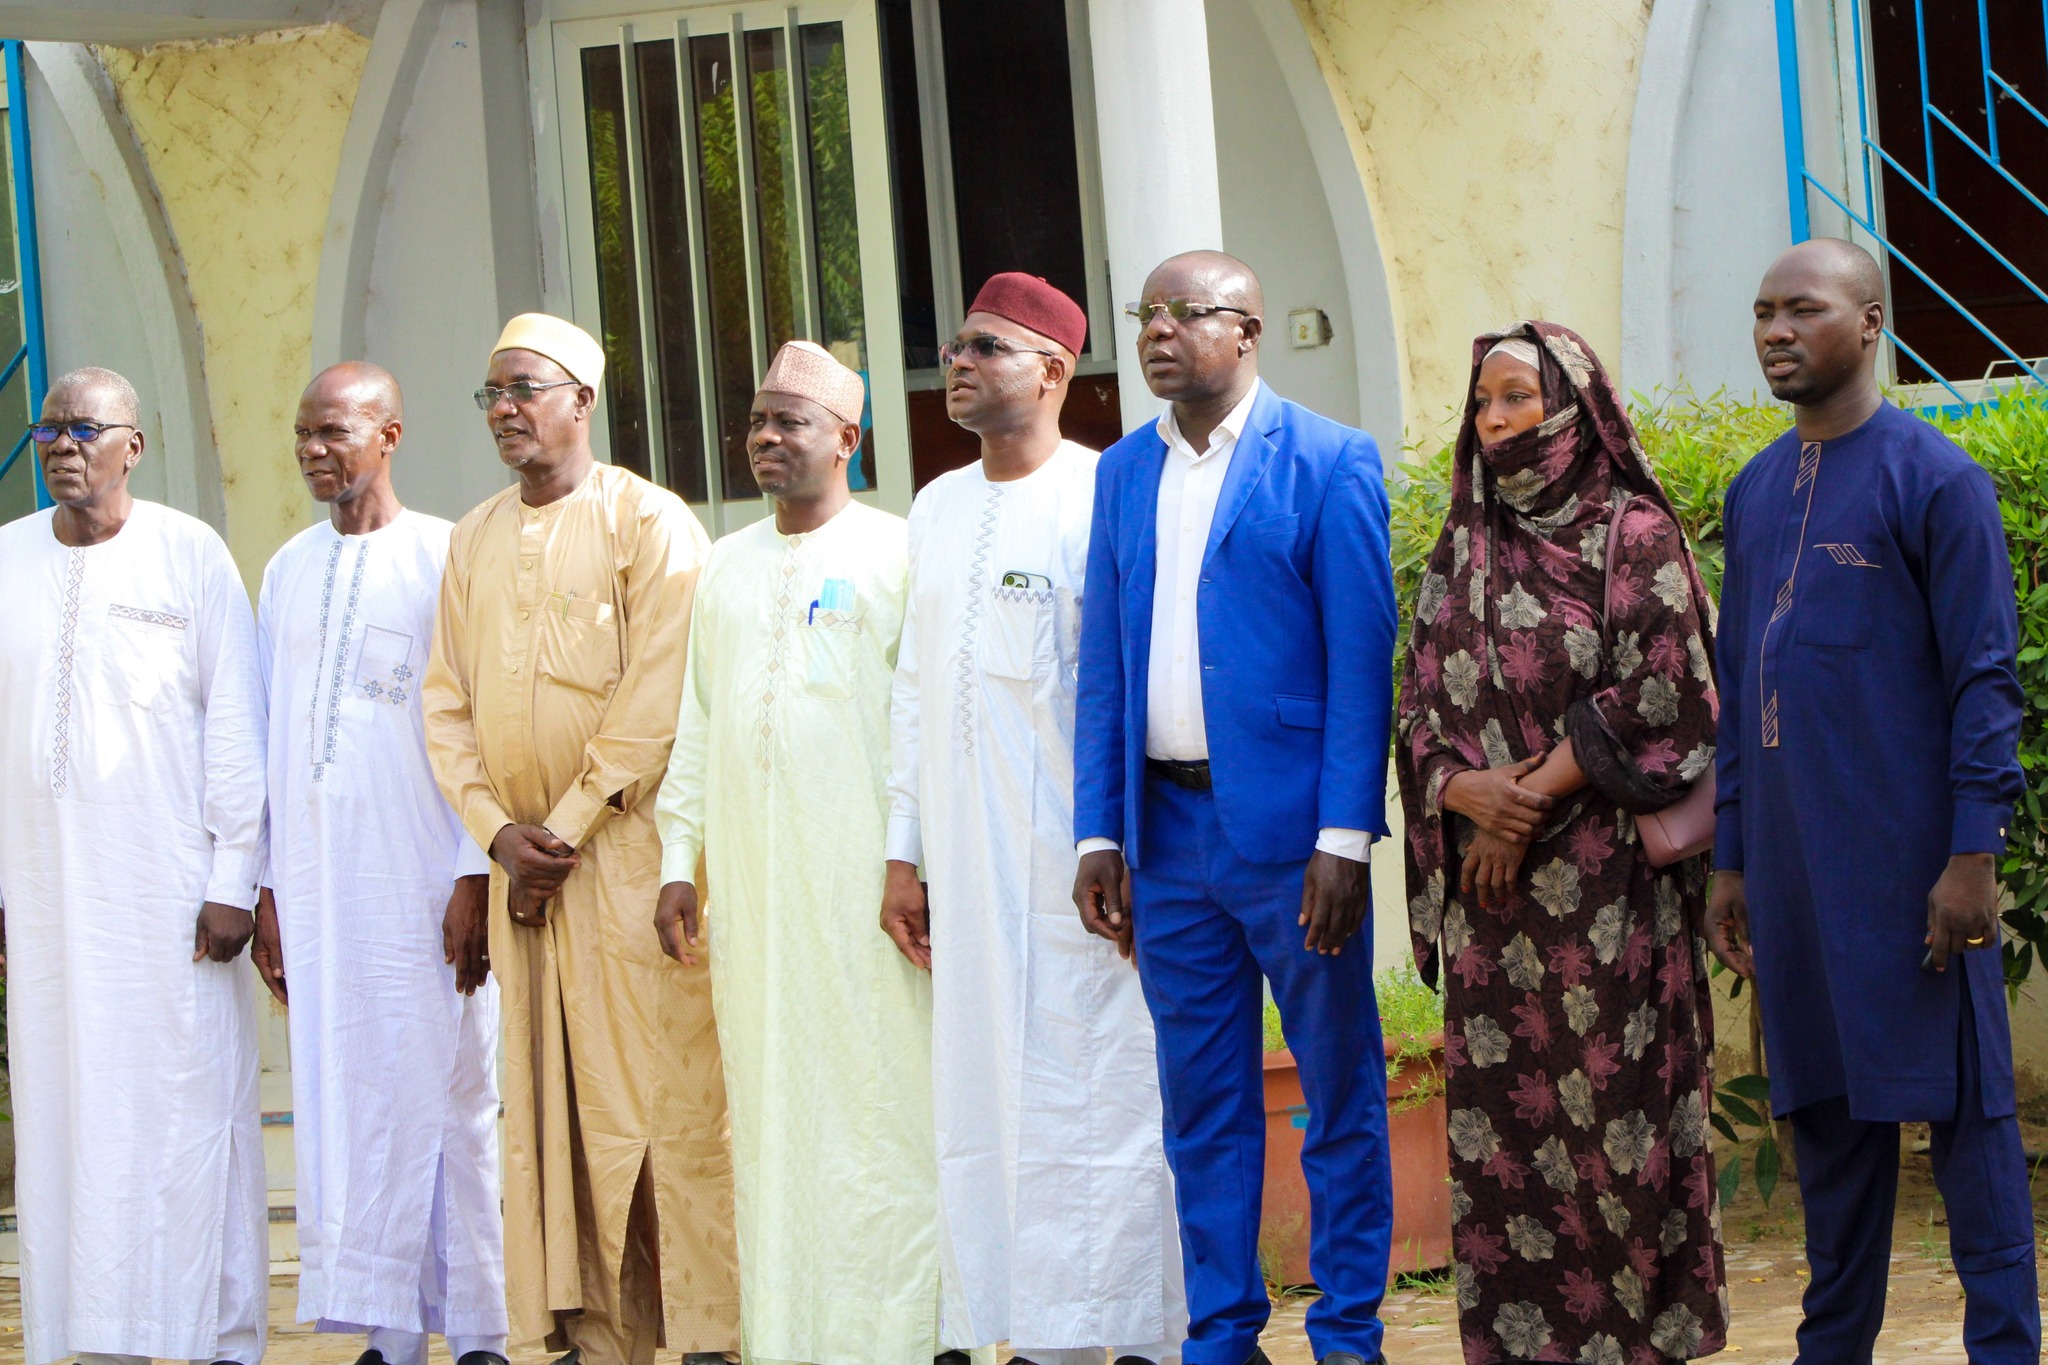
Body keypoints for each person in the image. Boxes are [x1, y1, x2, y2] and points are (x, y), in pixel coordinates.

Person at [1710, 238, 2036, 1363]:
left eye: (1801, 309)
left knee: (1963, 1121)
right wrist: (1731, 860)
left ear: (1870, 323)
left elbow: (1982, 679)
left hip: (1912, 870)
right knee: (1823, 1120)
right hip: (1797, 880)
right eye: (1760, 313)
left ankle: (2002, 1343)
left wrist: (1969, 855)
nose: (1773, 332)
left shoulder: (1931, 478)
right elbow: (1736, 687)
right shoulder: (1751, 491)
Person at [1072, 251, 1397, 1365]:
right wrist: (1098, 831)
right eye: (1145, 315)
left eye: (1184, 314)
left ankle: (1347, 1331)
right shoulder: (1120, 474)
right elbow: (1103, 667)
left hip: (1291, 844)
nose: (1158, 332)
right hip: (1163, 841)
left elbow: (1362, 667)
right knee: (1200, 1106)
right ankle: (1222, 1333)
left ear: (1246, 328)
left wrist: (1343, 838)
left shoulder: (1327, 462)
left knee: (1337, 1090)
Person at [1395, 323, 1730, 1364]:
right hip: (1493, 915)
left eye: (1516, 401)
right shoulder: (1460, 543)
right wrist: (1463, 792)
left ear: (1574, 413)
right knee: (1509, 1150)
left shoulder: (1631, 534)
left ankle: (1640, 1342)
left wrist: (1523, 799)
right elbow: (1412, 711)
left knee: (1614, 1130)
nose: (1494, 424)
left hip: (1607, 900)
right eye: (1481, 404)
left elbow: (1668, 691)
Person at [882, 275, 1188, 1365]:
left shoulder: (1104, 493)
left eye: (984, 348)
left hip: (1080, 867)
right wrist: (901, 853)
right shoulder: (933, 505)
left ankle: (1142, 1336)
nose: (956, 363)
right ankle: (1029, 1334)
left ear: (1053, 371)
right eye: (955, 345)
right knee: (985, 1106)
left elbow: (1133, 690)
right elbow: (915, 688)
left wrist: (1126, 847)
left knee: (1103, 1094)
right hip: (964, 870)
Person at [423, 314, 738, 1365]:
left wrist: (552, 835)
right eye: (491, 394)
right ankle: (586, 1332)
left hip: (625, 867)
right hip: (526, 879)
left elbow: (656, 703)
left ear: (581, 401)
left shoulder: (649, 523)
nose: (505, 410)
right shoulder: (469, 538)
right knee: (550, 1111)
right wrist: (492, 837)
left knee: (655, 1105)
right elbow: (444, 706)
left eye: (525, 387)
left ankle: (699, 1331)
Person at [654, 339, 941, 1365]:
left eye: (792, 421)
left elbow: (919, 726)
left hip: (867, 890)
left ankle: (915, 1335)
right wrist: (678, 862)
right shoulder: (722, 565)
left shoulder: (898, 553)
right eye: (758, 421)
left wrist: (911, 860)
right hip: (758, 898)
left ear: (848, 441)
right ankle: (791, 1338)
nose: (766, 438)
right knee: (775, 1118)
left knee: (885, 1104)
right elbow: (695, 724)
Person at [0, 367, 268, 1365]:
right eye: (47, 428)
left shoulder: (189, 556)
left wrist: (231, 878)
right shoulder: (6, 559)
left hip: (171, 901)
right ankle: (87, 1340)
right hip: (46, 905)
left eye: (84, 427)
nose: (64, 445)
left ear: (133, 446)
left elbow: (237, 722)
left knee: (189, 1117)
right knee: (68, 1114)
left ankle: (215, 1341)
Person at [250, 362, 508, 1365]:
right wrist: (267, 885)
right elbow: (274, 736)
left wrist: (472, 872)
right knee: (350, 1099)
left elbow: (479, 734)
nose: (316, 451)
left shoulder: (448, 558)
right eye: (305, 434)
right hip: (319, 891)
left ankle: (481, 1327)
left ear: (389, 435)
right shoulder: (285, 570)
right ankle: (391, 1334)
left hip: (425, 886)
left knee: (454, 1101)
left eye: (336, 433)